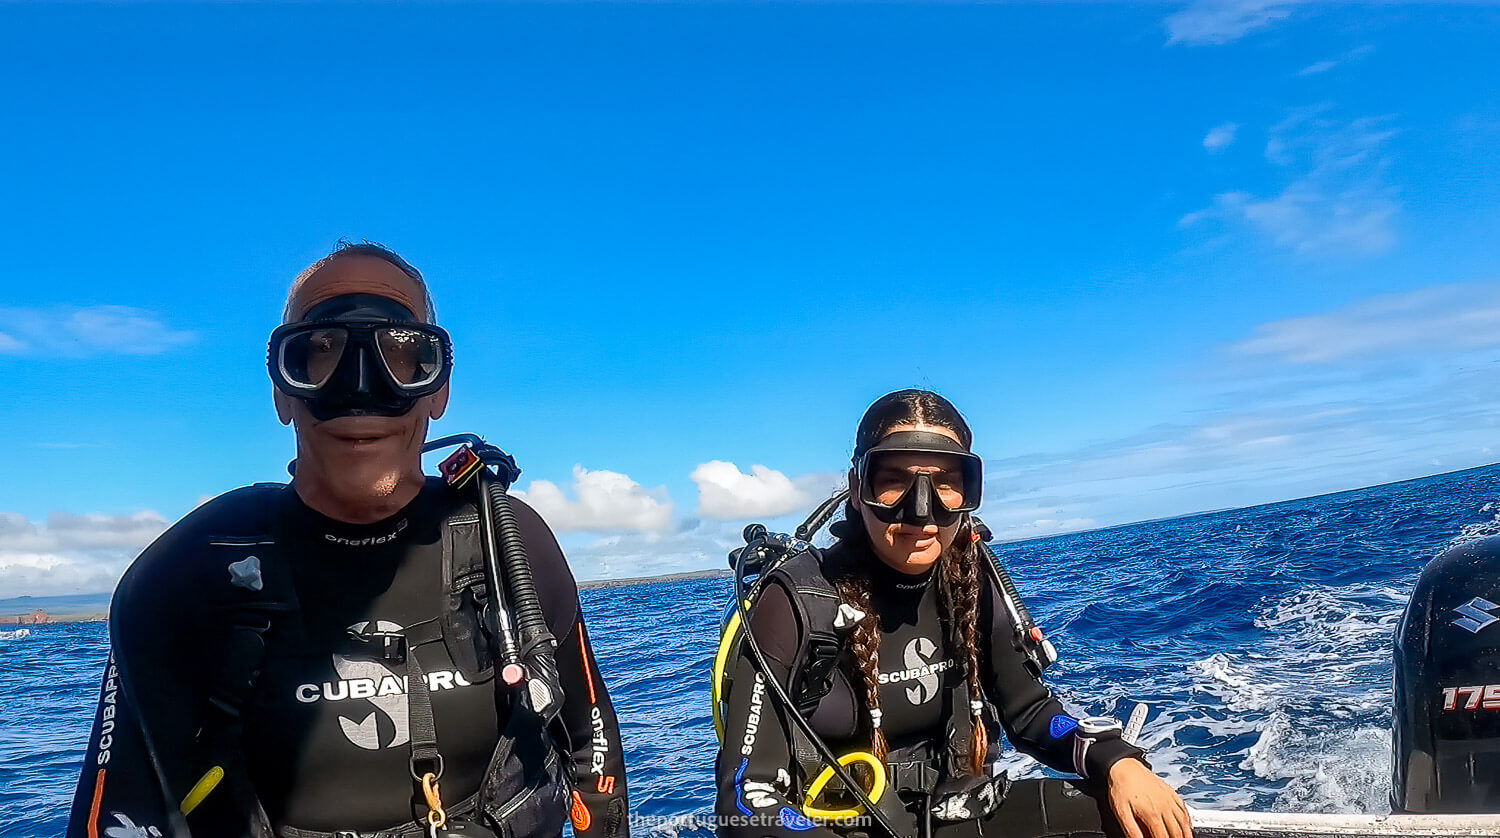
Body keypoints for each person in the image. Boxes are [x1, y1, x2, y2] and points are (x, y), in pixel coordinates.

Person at [66, 242, 629, 838]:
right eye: (319, 352)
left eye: (403, 354)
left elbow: (595, 758)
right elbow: (113, 816)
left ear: (438, 389)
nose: (361, 390)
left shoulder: (512, 544)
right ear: (283, 391)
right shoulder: (184, 578)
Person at [714, 389, 1192, 838]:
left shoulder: (971, 577)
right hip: (841, 827)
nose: (921, 512)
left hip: (961, 816)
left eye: (946, 485)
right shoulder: (797, 600)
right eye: (893, 482)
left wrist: (1113, 760)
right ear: (858, 489)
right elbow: (744, 798)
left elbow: (1029, 713)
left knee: (1125, 818)